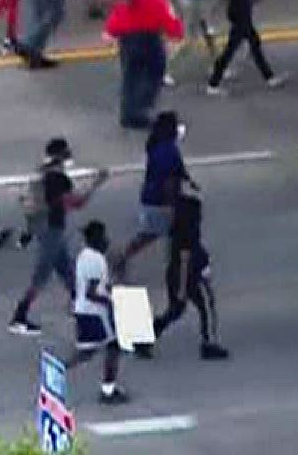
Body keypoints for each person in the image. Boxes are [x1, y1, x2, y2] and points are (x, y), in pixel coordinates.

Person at [9, 139, 109, 336]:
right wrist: (96, 182)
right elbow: (77, 202)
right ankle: (19, 317)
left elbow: (29, 203)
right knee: (42, 274)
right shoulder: (57, 179)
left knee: (65, 267)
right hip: (51, 228)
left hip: (41, 226)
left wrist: (28, 233)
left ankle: (78, 301)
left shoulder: (40, 174)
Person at [106, 0, 182, 129]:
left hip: (127, 33)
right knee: (154, 69)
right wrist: (173, 26)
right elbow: (153, 2)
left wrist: (112, 28)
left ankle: (129, 112)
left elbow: (120, 6)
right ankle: (140, 111)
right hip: (145, 31)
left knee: (131, 74)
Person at [150, 192, 229, 360]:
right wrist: (182, 286)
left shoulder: (177, 231)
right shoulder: (189, 232)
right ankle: (209, 343)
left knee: (176, 310)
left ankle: (147, 337)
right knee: (206, 305)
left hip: (175, 273)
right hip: (190, 276)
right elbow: (185, 258)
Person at [207, 0, 283, 94]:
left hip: (236, 12)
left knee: (253, 43)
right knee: (233, 49)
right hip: (242, 14)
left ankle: (269, 77)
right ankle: (214, 82)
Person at [120, 112, 192, 271]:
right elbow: (169, 179)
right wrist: (171, 204)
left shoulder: (157, 145)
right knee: (157, 232)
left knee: (161, 232)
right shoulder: (168, 151)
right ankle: (123, 258)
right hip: (160, 200)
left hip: (151, 196)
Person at [70, 220, 131, 405]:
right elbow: (92, 292)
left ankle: (57, 369)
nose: (106, 240)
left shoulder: (84, 256)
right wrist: (112, 302)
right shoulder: (96, 259)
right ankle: (108, 390)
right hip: (94, 314)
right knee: (111, 348)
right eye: (103, 236)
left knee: (88, 353)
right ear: (96, 238)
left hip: (85, 311)